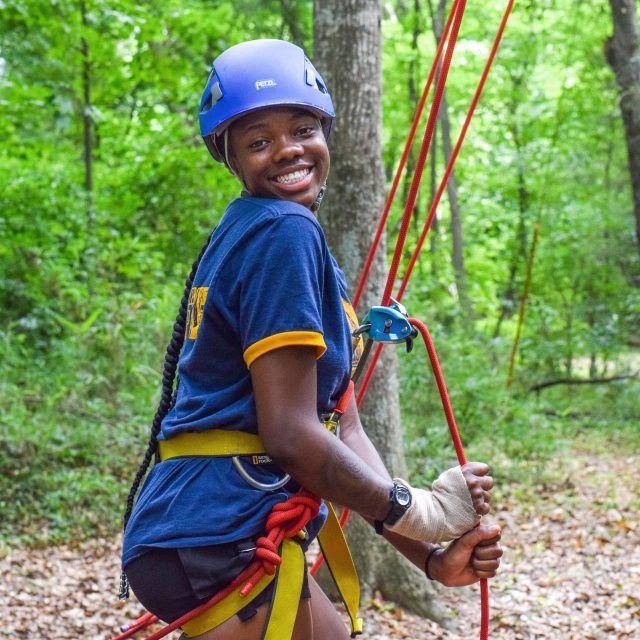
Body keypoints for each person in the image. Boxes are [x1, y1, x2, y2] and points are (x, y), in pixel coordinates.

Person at [120, 38, 502, 640]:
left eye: (302, 128)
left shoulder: (253, 234)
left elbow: (340, 429)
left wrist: (427, 556)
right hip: (216, 535)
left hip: (196, 531)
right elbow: (292, 435)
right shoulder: (284, 232)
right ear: (231, 157)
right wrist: (418, 510)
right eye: (258, 141)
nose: (287, 150)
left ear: (326, 132)